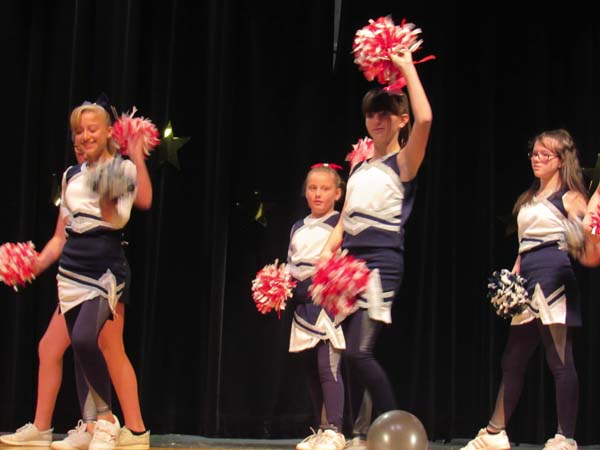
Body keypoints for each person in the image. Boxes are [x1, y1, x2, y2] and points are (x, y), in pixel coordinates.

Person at [0, 102, 150, 450]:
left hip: (104, 268)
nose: (84, 136)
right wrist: (32, 264)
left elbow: (129, 209)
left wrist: (132, 163)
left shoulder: (120, 168)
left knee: (95, 343)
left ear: (109, 132)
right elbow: (60, 236)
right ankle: (47, 428)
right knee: (52, 347)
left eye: (92, 129)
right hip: (71, 270)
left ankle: (115, 424)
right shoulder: (71, 175)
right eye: (78, 131)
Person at [319, 49, 432, 450]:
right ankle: (360, 434)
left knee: (359, 352)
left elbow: (426, 119)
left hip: (381, 264)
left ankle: (396, 431)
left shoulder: (405, 161)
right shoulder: (360, 166)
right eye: (371, 114)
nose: (376, 121)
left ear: (401, 120)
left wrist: (407, 69)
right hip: (347, 264)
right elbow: (345, 219)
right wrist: (327, 254)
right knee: (348, 352)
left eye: (385, 114)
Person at [461, 129, 591, 450]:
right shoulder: (528, 198)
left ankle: (565, 437)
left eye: (545, 154)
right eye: (534, 153)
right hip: (527, 280)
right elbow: (524, 245)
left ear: (561, 160)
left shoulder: (571, 197)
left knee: (559, 359)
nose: (537, 158)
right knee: (513, 359)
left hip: (554, 276)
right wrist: (511, 280)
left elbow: (586, 240)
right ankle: (495, 433)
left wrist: (580, 233)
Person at [288, 164, 346, 450]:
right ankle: (321, 429)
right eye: (312, 188)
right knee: (310, 368)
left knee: (327, 366)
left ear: (337, 193)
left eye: (325, 188)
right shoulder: (297, 226)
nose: (318, 194)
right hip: (302, 306)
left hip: (327, 304)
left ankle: (335, 430)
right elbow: (291, 264)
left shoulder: (340, 223)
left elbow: (344, 262)